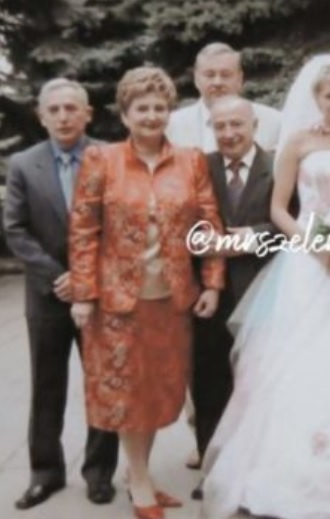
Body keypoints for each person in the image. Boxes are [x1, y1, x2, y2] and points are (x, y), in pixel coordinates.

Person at [201, 54, 330, 519]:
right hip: (306, 265)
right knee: (300, 359)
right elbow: (279, 209)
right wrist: (316, 244)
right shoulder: (297, 143)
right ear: (317, 98)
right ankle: (285, 469)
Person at [68, 66, 225, 519]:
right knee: (129, 394)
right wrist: (83, 294)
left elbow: (208, 226)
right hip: (118, 301)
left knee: (156, 393)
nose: (152, 115)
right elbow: (83, 231)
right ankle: (138, 481)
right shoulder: (102, 160)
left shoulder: (191, 161)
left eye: (159, 107)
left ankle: (141, 474)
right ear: (125, 115)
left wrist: (212, 283)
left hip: (171, 300)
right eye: (142, 108)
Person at [3, 78, 119, 510]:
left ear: (88, 114)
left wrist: (89, 277)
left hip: (100, 294)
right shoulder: (23, 164)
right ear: (41, 116)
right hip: (48, 294)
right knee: (46, 384)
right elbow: (16, 230)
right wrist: (61, 277)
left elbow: (121, 225)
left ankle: (99, 474)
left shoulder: (110, 157)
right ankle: (45, 473)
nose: (63, 116)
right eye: (54, 109)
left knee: (103, 385)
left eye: (72, 108)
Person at [190, 95, 289, 500]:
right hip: (209, 295)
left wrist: (250, 238)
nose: (229, 133)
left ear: (254, 126)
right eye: (220, 126)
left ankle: (260, 466)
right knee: (209, 383)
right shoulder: (201, 167)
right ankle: (211, 469)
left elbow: (295, 223)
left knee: (260, 383)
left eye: (237, 125)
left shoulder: (278, 167)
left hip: (264, 292)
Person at [167, 42, 281, 152]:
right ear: (196, 79)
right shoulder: (172, 125)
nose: (217, 82)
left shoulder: (273, 122)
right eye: (210, 75)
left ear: (240, 79)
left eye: (226, 75)